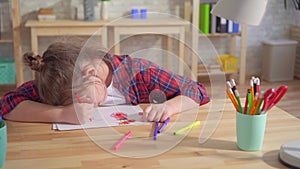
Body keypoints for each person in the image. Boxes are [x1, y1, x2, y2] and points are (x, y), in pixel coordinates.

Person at [0, 38, 210, 124]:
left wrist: (170, 107)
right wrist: (62, 113)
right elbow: (7, 104)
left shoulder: (141, 74)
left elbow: (197, 91)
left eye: (80, 99)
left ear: (91, 72)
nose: (80, 105)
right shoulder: (59, 78)